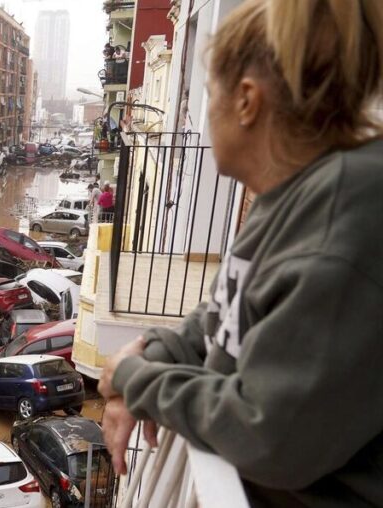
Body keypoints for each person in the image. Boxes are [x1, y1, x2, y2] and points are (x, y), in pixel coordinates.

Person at [97, 0, 383, 506]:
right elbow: (221, 315)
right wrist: (151, 359)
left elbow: (270, 435)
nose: (204, 111)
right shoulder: (291, 197)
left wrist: (135, 378)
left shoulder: (344, 219)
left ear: (247, 101)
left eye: (209, 94)